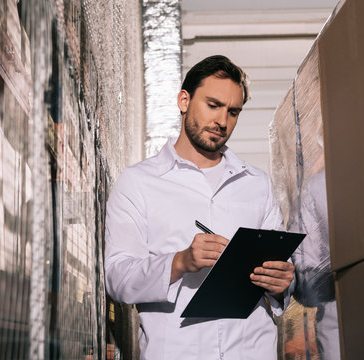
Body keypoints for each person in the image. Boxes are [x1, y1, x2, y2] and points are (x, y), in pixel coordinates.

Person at [104, 55, 295, 360]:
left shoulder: (257, 184)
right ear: (184, 100)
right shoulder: (138, 183)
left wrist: (283, 281)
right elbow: (117, 278)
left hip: (251, 351)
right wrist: (179, 262)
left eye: (233, 112)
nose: (222, 121)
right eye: (213, 105)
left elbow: (281, 272)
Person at [291, 169, 340, 360]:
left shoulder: (319, 184)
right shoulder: (318, 185)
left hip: (338, 331)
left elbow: (308, 292)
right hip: (338, 333)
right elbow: (307, 291)